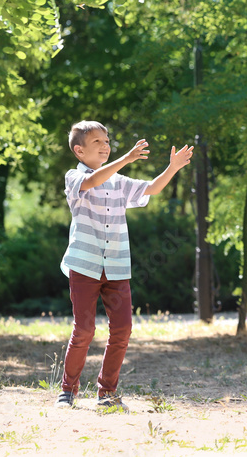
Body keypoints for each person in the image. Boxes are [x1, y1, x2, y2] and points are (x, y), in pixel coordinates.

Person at [55, 120, 193, 410]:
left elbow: (153, 188)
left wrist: (174, 168)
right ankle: (68, 391)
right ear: (79, 151)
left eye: (107, 141)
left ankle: (107, 393)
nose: (105, 146)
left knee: (122, 330)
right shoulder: (73, 177)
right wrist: (127, 158)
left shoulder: (120, 182)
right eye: (97, 143)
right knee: (84, 330)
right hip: (84, 266)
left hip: (117, 266)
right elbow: (92, 182)